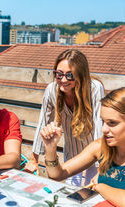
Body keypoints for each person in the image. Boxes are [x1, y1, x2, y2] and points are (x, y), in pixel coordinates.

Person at [25, 49, 105, 186]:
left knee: (93, 192)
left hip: (97, 154)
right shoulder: (51, 90)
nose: (63, 80)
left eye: (70, 75)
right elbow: (43, 123)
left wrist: (102, 168)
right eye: (59, 74)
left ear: (80, 75)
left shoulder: (95, 88)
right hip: (72, 154)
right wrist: (34, 160)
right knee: (71, 191)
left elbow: (100, 127)